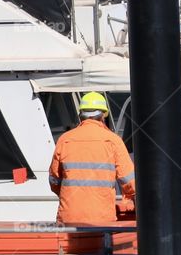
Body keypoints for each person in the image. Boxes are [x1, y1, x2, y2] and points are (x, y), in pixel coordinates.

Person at [48, 92, 136, 225]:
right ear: (103, 116)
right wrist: (129, 198)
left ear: (81, 115)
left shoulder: (64, 139)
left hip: (68, 218)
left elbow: (54, 181)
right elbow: (130, 182)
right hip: (101, 220)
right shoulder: (113, 140)